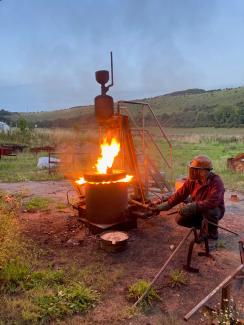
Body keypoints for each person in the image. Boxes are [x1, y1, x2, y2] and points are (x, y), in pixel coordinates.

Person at [153, 155, 225, 240]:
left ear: (203, 171)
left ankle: (211, 233)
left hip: (213, 210)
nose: (191, 171)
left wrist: (192, 206)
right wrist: (165, 205)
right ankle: (203, 227)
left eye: (194, 169)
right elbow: (179, 195)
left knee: (210, 211)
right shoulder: (191, 181)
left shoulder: (216, 182)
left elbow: (212, 202)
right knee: (180, 219)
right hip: (199, 208)